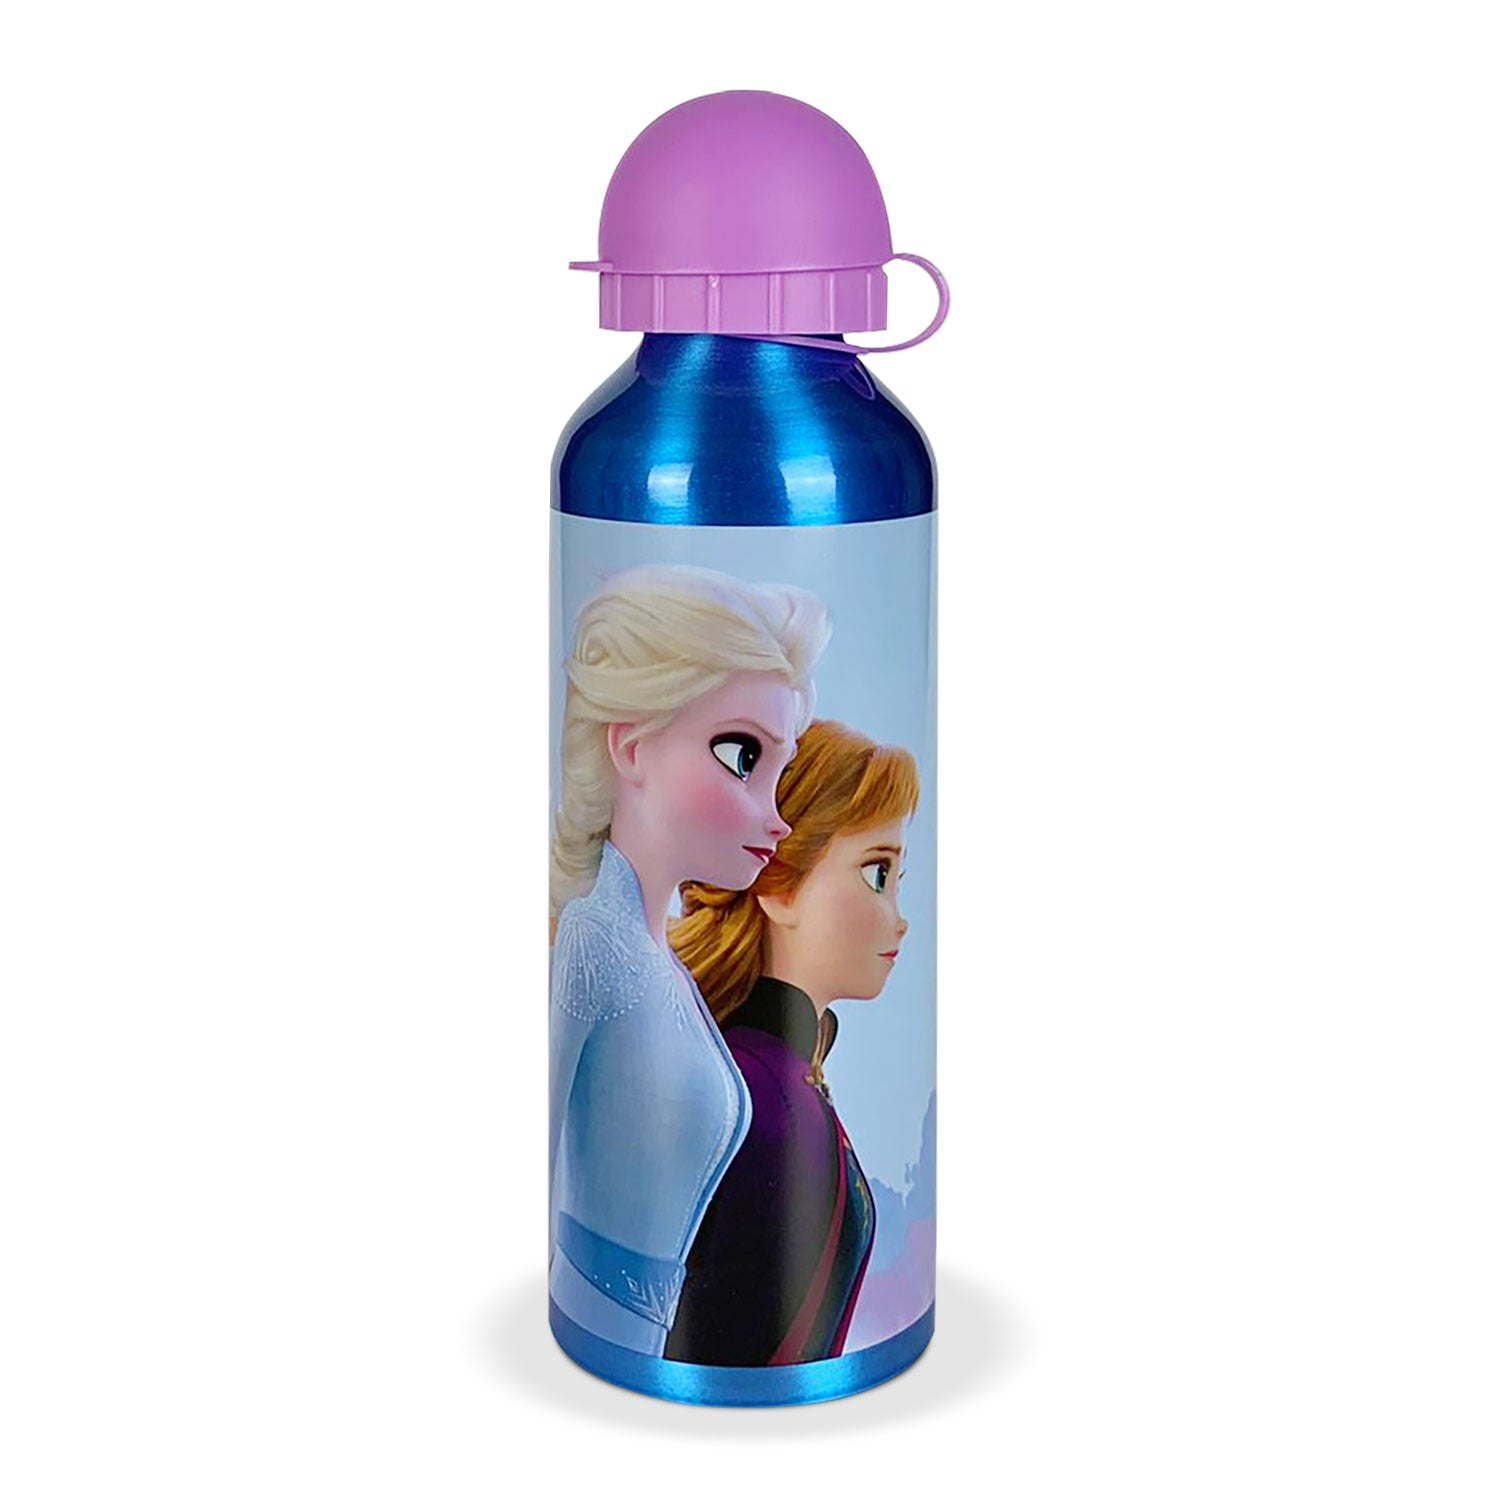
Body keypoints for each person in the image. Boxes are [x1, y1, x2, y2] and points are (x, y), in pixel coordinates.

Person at [549, 564, 830, 1356]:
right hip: (591, 1340)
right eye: (742, 756)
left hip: (640, 1348)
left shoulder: (658, 958)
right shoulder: (593, 942)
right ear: (631, 746)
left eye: (780, 772)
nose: (775, 818)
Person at [665, 719, 919, 1365]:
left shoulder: (770, 1081)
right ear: (778, 886)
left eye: (898, 879)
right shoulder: (766, 1104)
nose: (900, 918)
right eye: (876, 873)